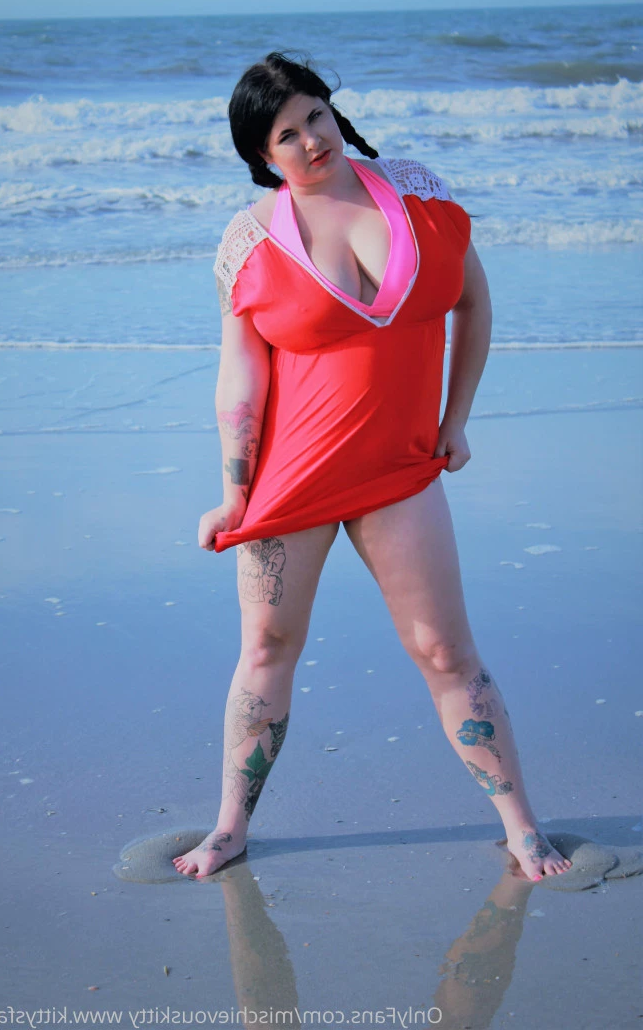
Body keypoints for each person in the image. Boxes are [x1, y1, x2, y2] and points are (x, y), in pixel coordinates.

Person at [172, 52, 573, 883]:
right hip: (292, 477)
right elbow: (240, 377)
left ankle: (523, 828)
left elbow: (473, 302)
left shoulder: (418, 193)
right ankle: (229, 828)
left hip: (400, 469)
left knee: (445, 651)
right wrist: (232, 493)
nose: (311, 140)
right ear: (262, 157)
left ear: (334, 112)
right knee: (266, 648)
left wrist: (455, 422)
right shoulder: (250, 241)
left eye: (316, 116)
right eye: (286, 135)